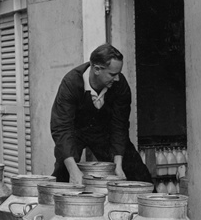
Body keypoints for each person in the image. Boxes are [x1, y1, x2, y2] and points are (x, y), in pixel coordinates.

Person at [50, 43, 153, 185]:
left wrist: (118, 164)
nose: (117, 79)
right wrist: (73, 170)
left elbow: (120, 126)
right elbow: (61, 128)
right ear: (97, 69)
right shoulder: (71, 83)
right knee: (64, 173)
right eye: (112, 74)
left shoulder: (120, 85)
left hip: (104, 133)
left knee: (137, 172)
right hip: (75, 133)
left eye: (118, 74)